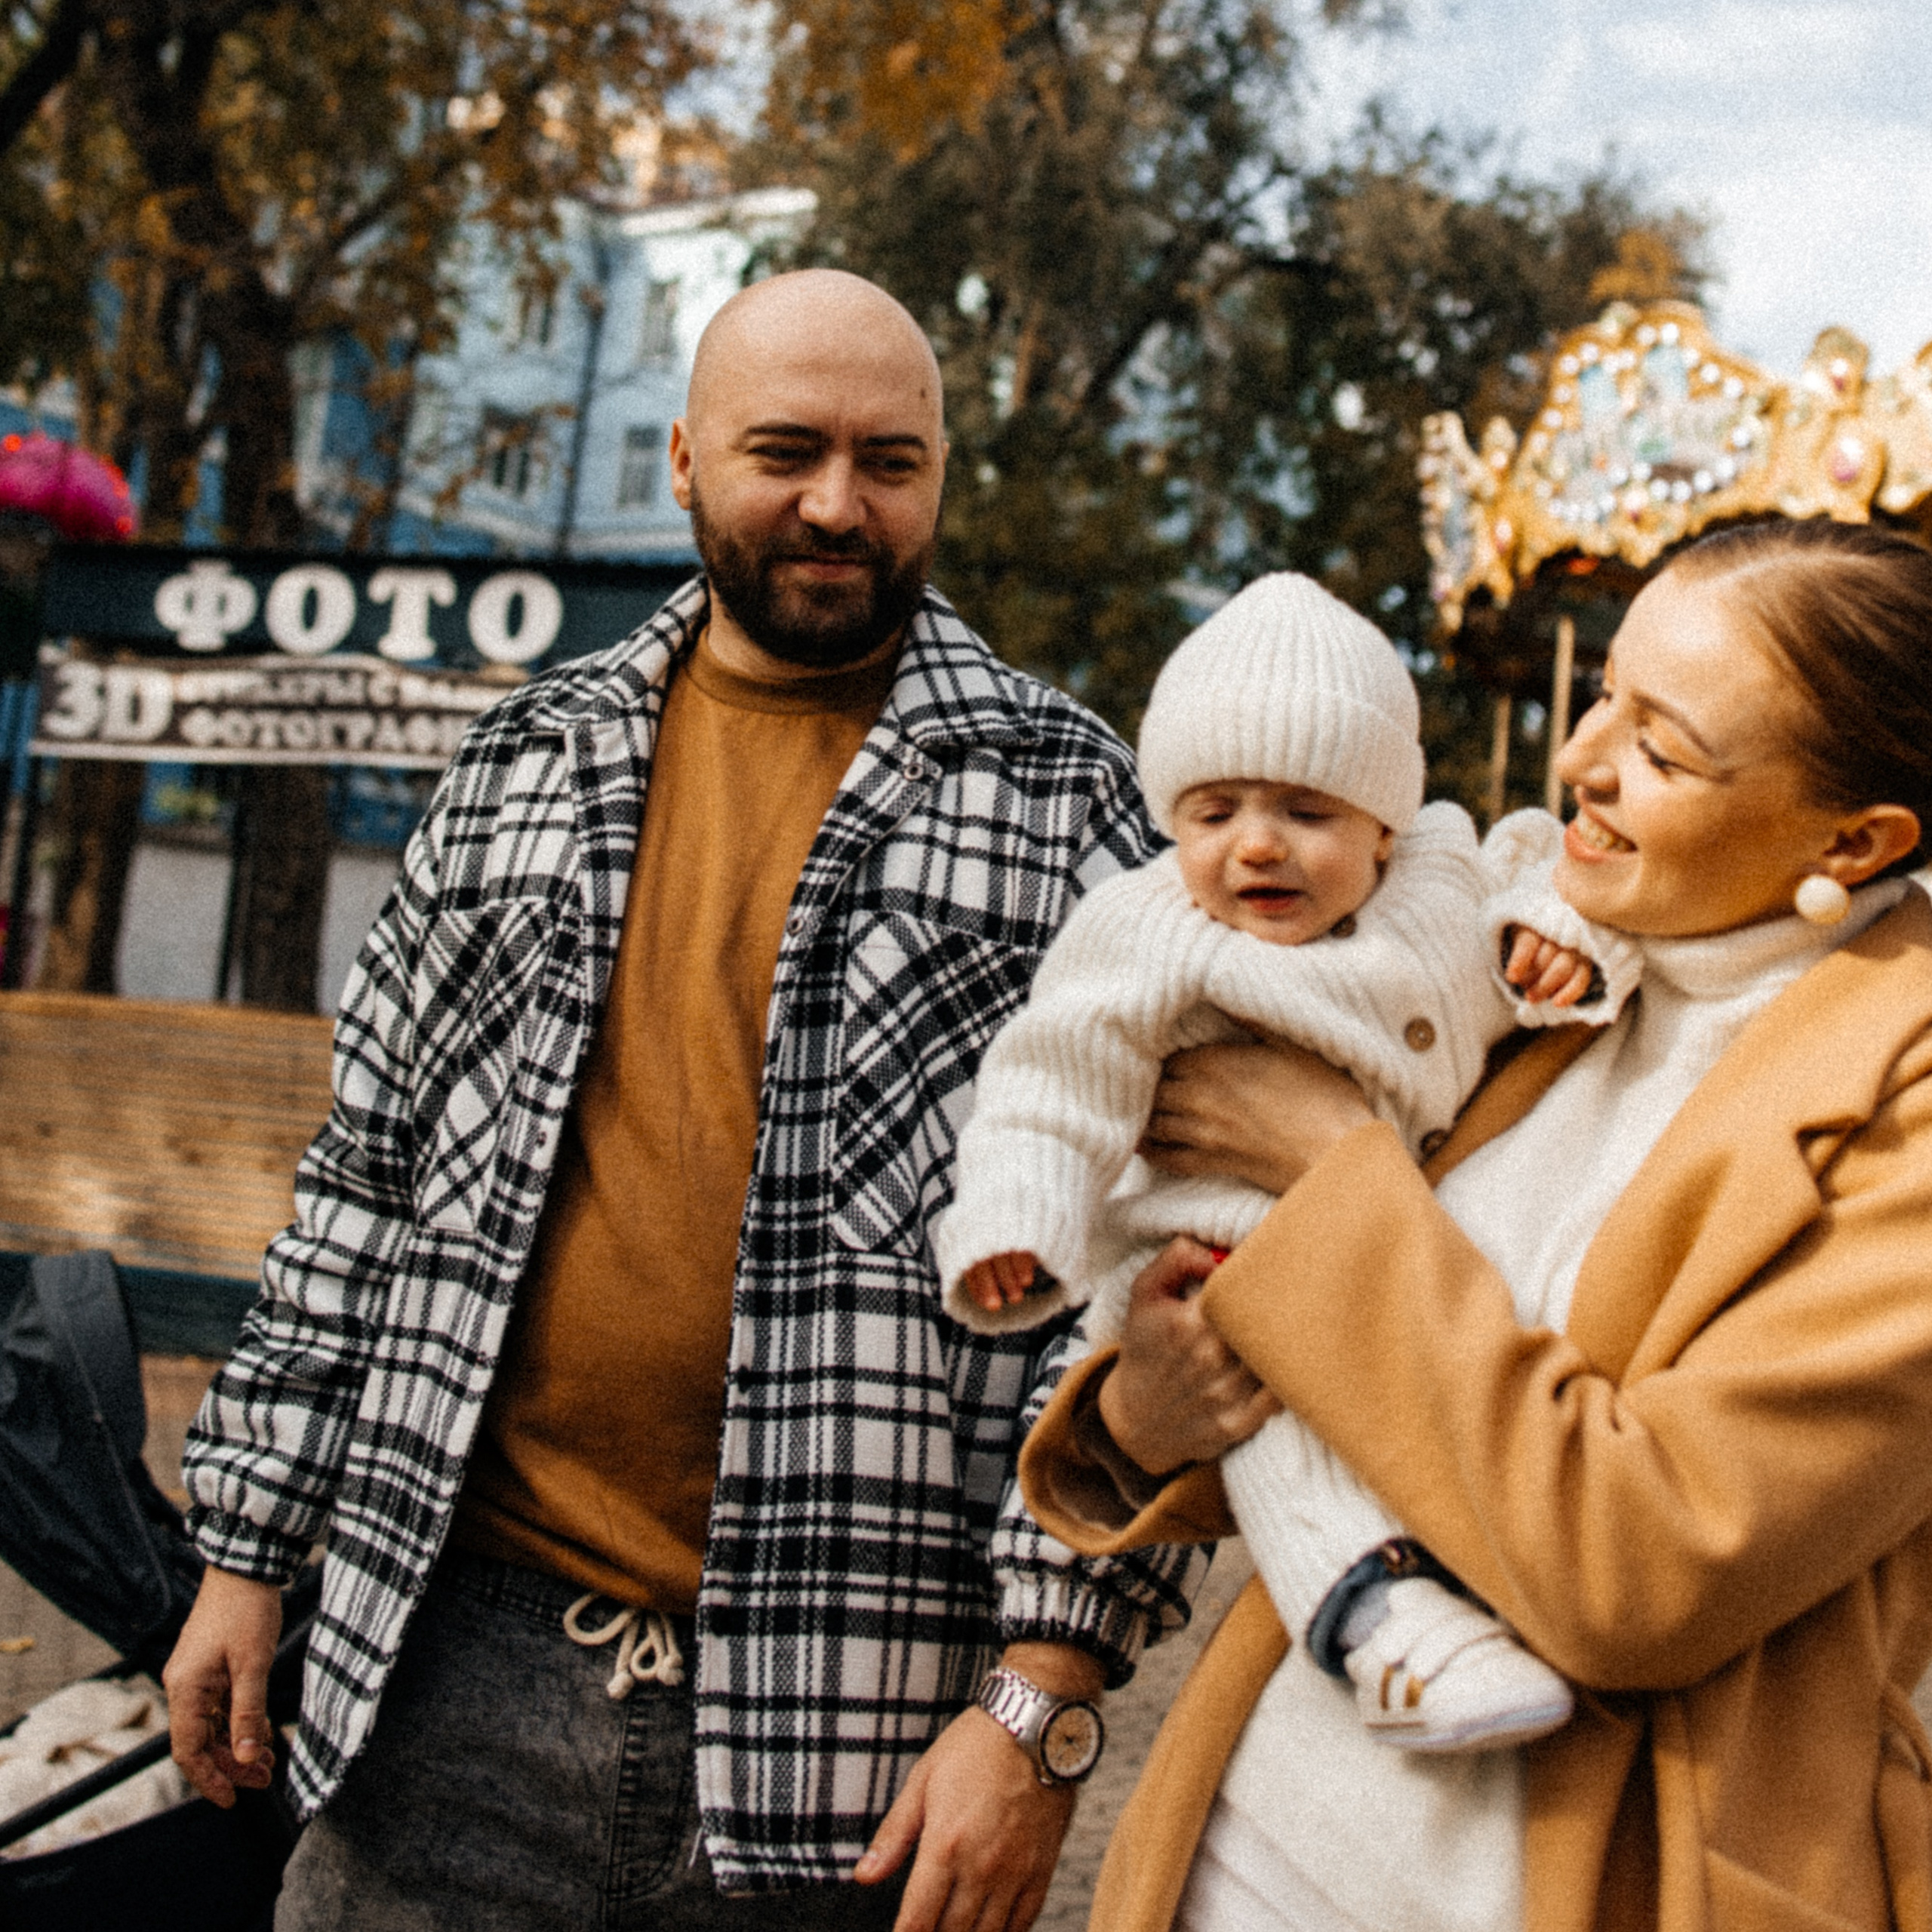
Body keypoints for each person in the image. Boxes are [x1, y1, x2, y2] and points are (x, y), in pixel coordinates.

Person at [162, 269, 1201, 1932]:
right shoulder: (523, 760)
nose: (835, 505)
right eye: (783, 449)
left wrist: (1041, 1697)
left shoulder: (1071, 805)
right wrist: (244, 1552)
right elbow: (361, 1182)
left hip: (854, 1725)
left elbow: (1153, 1290)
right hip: (447, 1671)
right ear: (680, 460)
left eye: (891, 461)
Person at [1020, 516, 1932, 1932]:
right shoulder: (1549, 965)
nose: (1582, 760)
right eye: (1605, 694)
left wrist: (1333, 1177)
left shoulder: (1902, 1101)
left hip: (1595, 1873)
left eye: (1664, 749)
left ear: (1855, 837)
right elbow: (1369, 1406)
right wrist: (1139, 1415)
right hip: (1251, 1840)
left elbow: (1640, 1569)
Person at [936, 570, 1633, 1753]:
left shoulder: (1445, 881)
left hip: (1413, 1238)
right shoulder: (1146, 930)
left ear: (1384, 822)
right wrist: (1017, 1216)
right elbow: (1051, 1079)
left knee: (1447, 1401)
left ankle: (1466, 1583)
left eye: (1305, 811)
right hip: (1215, 1248)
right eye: (1213, 813)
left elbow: (1546, 891)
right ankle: (1375, 1626)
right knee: (1283, 1430)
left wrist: (1556, 947)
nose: (1256, 845)